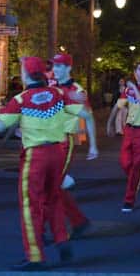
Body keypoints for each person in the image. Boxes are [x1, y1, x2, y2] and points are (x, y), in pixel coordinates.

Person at [0, 56, 93, 270]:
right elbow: (85, 113)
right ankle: (61, 239)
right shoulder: (58, 93)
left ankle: (35, 256)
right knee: (54, 197)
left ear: (26, 74)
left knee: (30, 205)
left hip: (35, 156)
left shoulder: (21, 99)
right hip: (57, 151)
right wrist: (78, 99)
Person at [52, 53, 98, 239]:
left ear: (68, 68)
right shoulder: (53, 87)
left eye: (59, 66)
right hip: (50, 141)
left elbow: (88, 116)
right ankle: (77, 222)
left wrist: (93, 145)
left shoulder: (76, 90)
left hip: (64, 141)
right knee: (52, 187)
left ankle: (61, 228)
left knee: (52, 187)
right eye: (54, 65)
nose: (55, 69)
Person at [107, 62, 140, 212]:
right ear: (135, 72)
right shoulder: (129, 89)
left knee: (137, 166)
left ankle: (129, 200)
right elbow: (118, 106)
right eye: (139, 70)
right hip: (129, 129)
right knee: (125, 163)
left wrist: (134, 88)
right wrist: (109, 124)